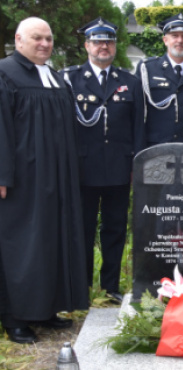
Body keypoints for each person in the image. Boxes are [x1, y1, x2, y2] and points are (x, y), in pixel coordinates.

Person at [0, 17, 89, 344]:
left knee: (53, 241)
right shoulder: (5, 73)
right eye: (37, 38)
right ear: (19, 39)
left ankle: (48, 309)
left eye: (49, 39)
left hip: (58, 178)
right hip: (24, 180)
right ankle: (16, 318)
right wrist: (2, 174)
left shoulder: (54, 76)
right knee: (24, 246)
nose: (44, 44)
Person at [60, 18, 145, 304]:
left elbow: (138, 128)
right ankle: (81, 287)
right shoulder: (70, 79)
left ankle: (110, 287)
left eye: (108, 41)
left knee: (115, 229)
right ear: (87, 46)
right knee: (82, 229)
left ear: (114, 45)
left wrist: (136, 165)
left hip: (119, 170)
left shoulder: (129, 82)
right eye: (97, 41)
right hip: (83, 169)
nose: (103, 46)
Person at [136, 12, 183, 147]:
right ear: (165, 40)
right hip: (154, 149)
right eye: (174, 36)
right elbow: (136, 115)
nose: (180, 40)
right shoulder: (147, 69)